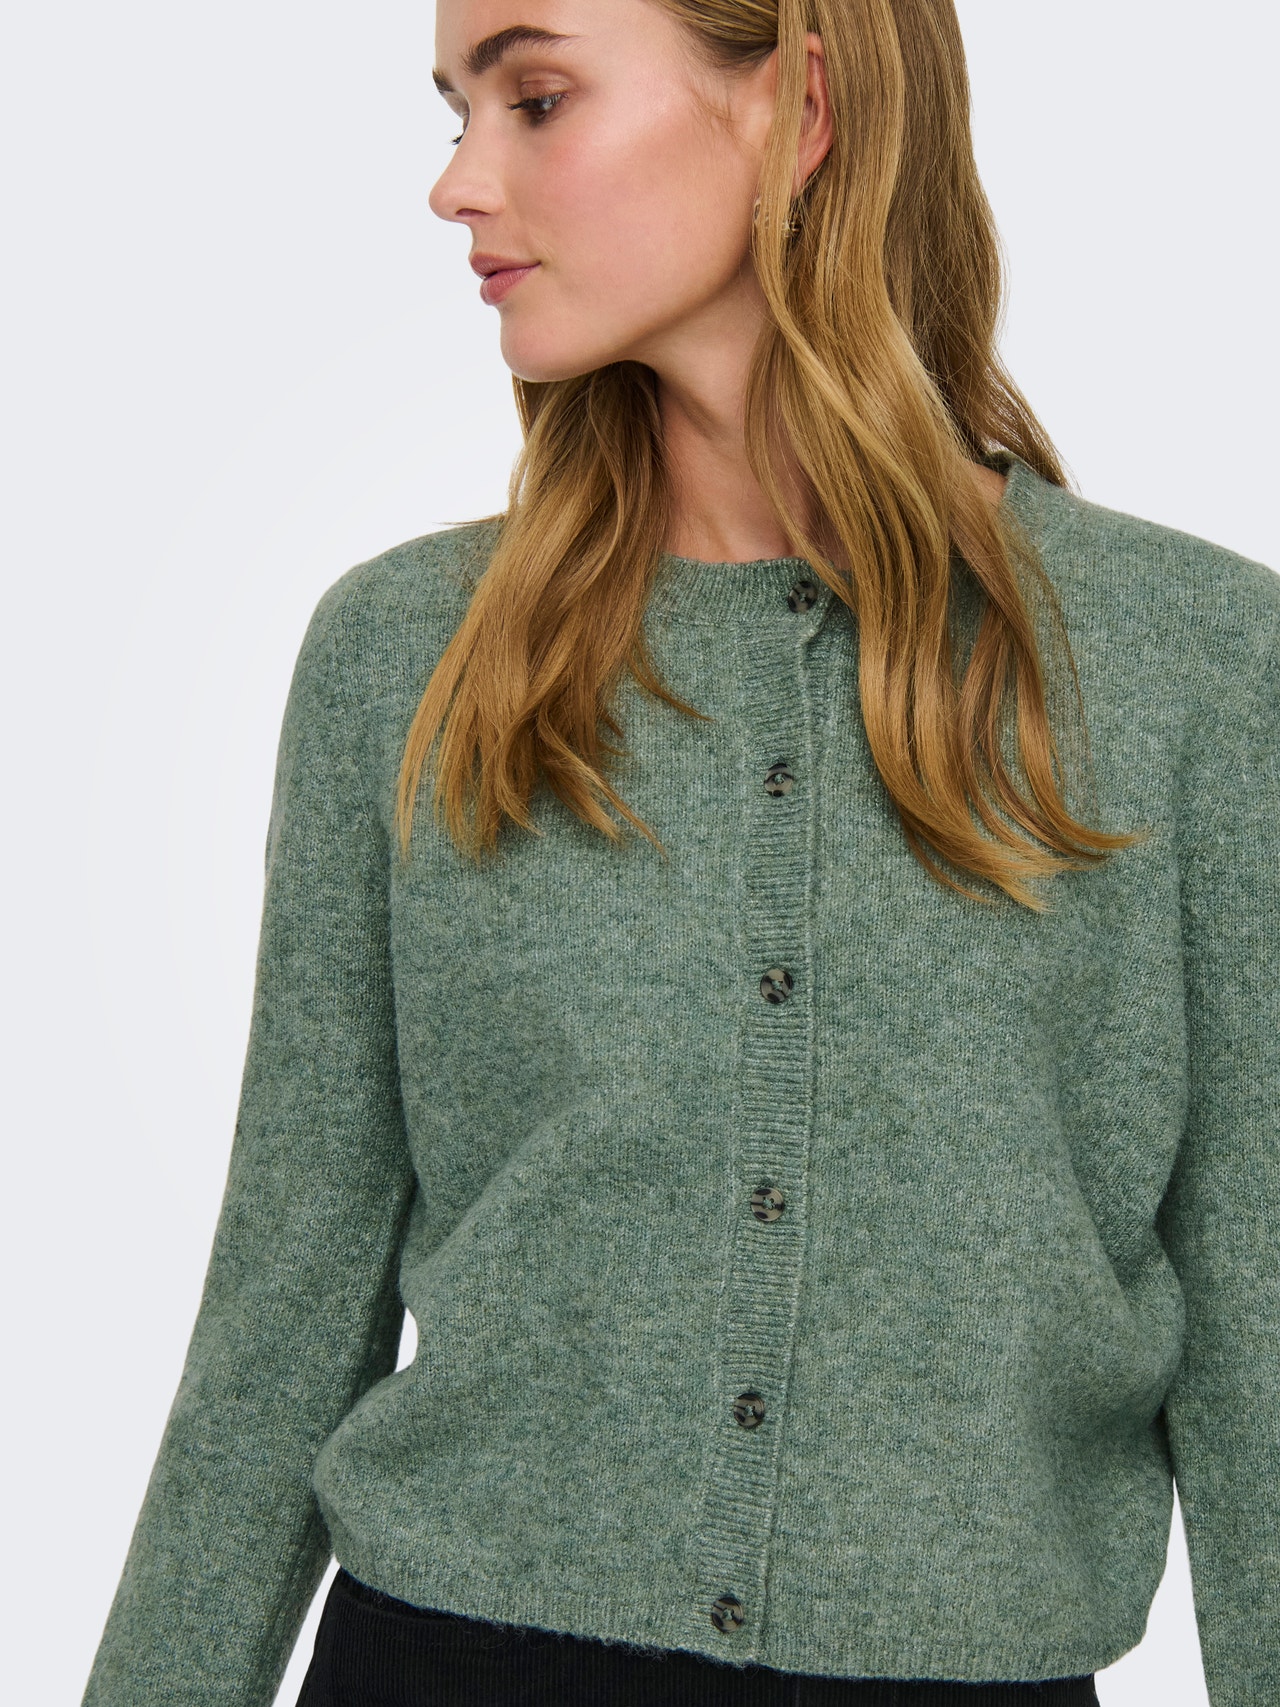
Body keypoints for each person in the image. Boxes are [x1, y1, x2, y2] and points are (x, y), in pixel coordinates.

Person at [80, 1, 1279, 1704]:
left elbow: (1261, 1332)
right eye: (454, 112)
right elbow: (287, 1297)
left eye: (535, 97)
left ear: (799, 108)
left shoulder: (1194, 670)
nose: (457, 183)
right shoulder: (407, 658)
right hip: (444, 1661)